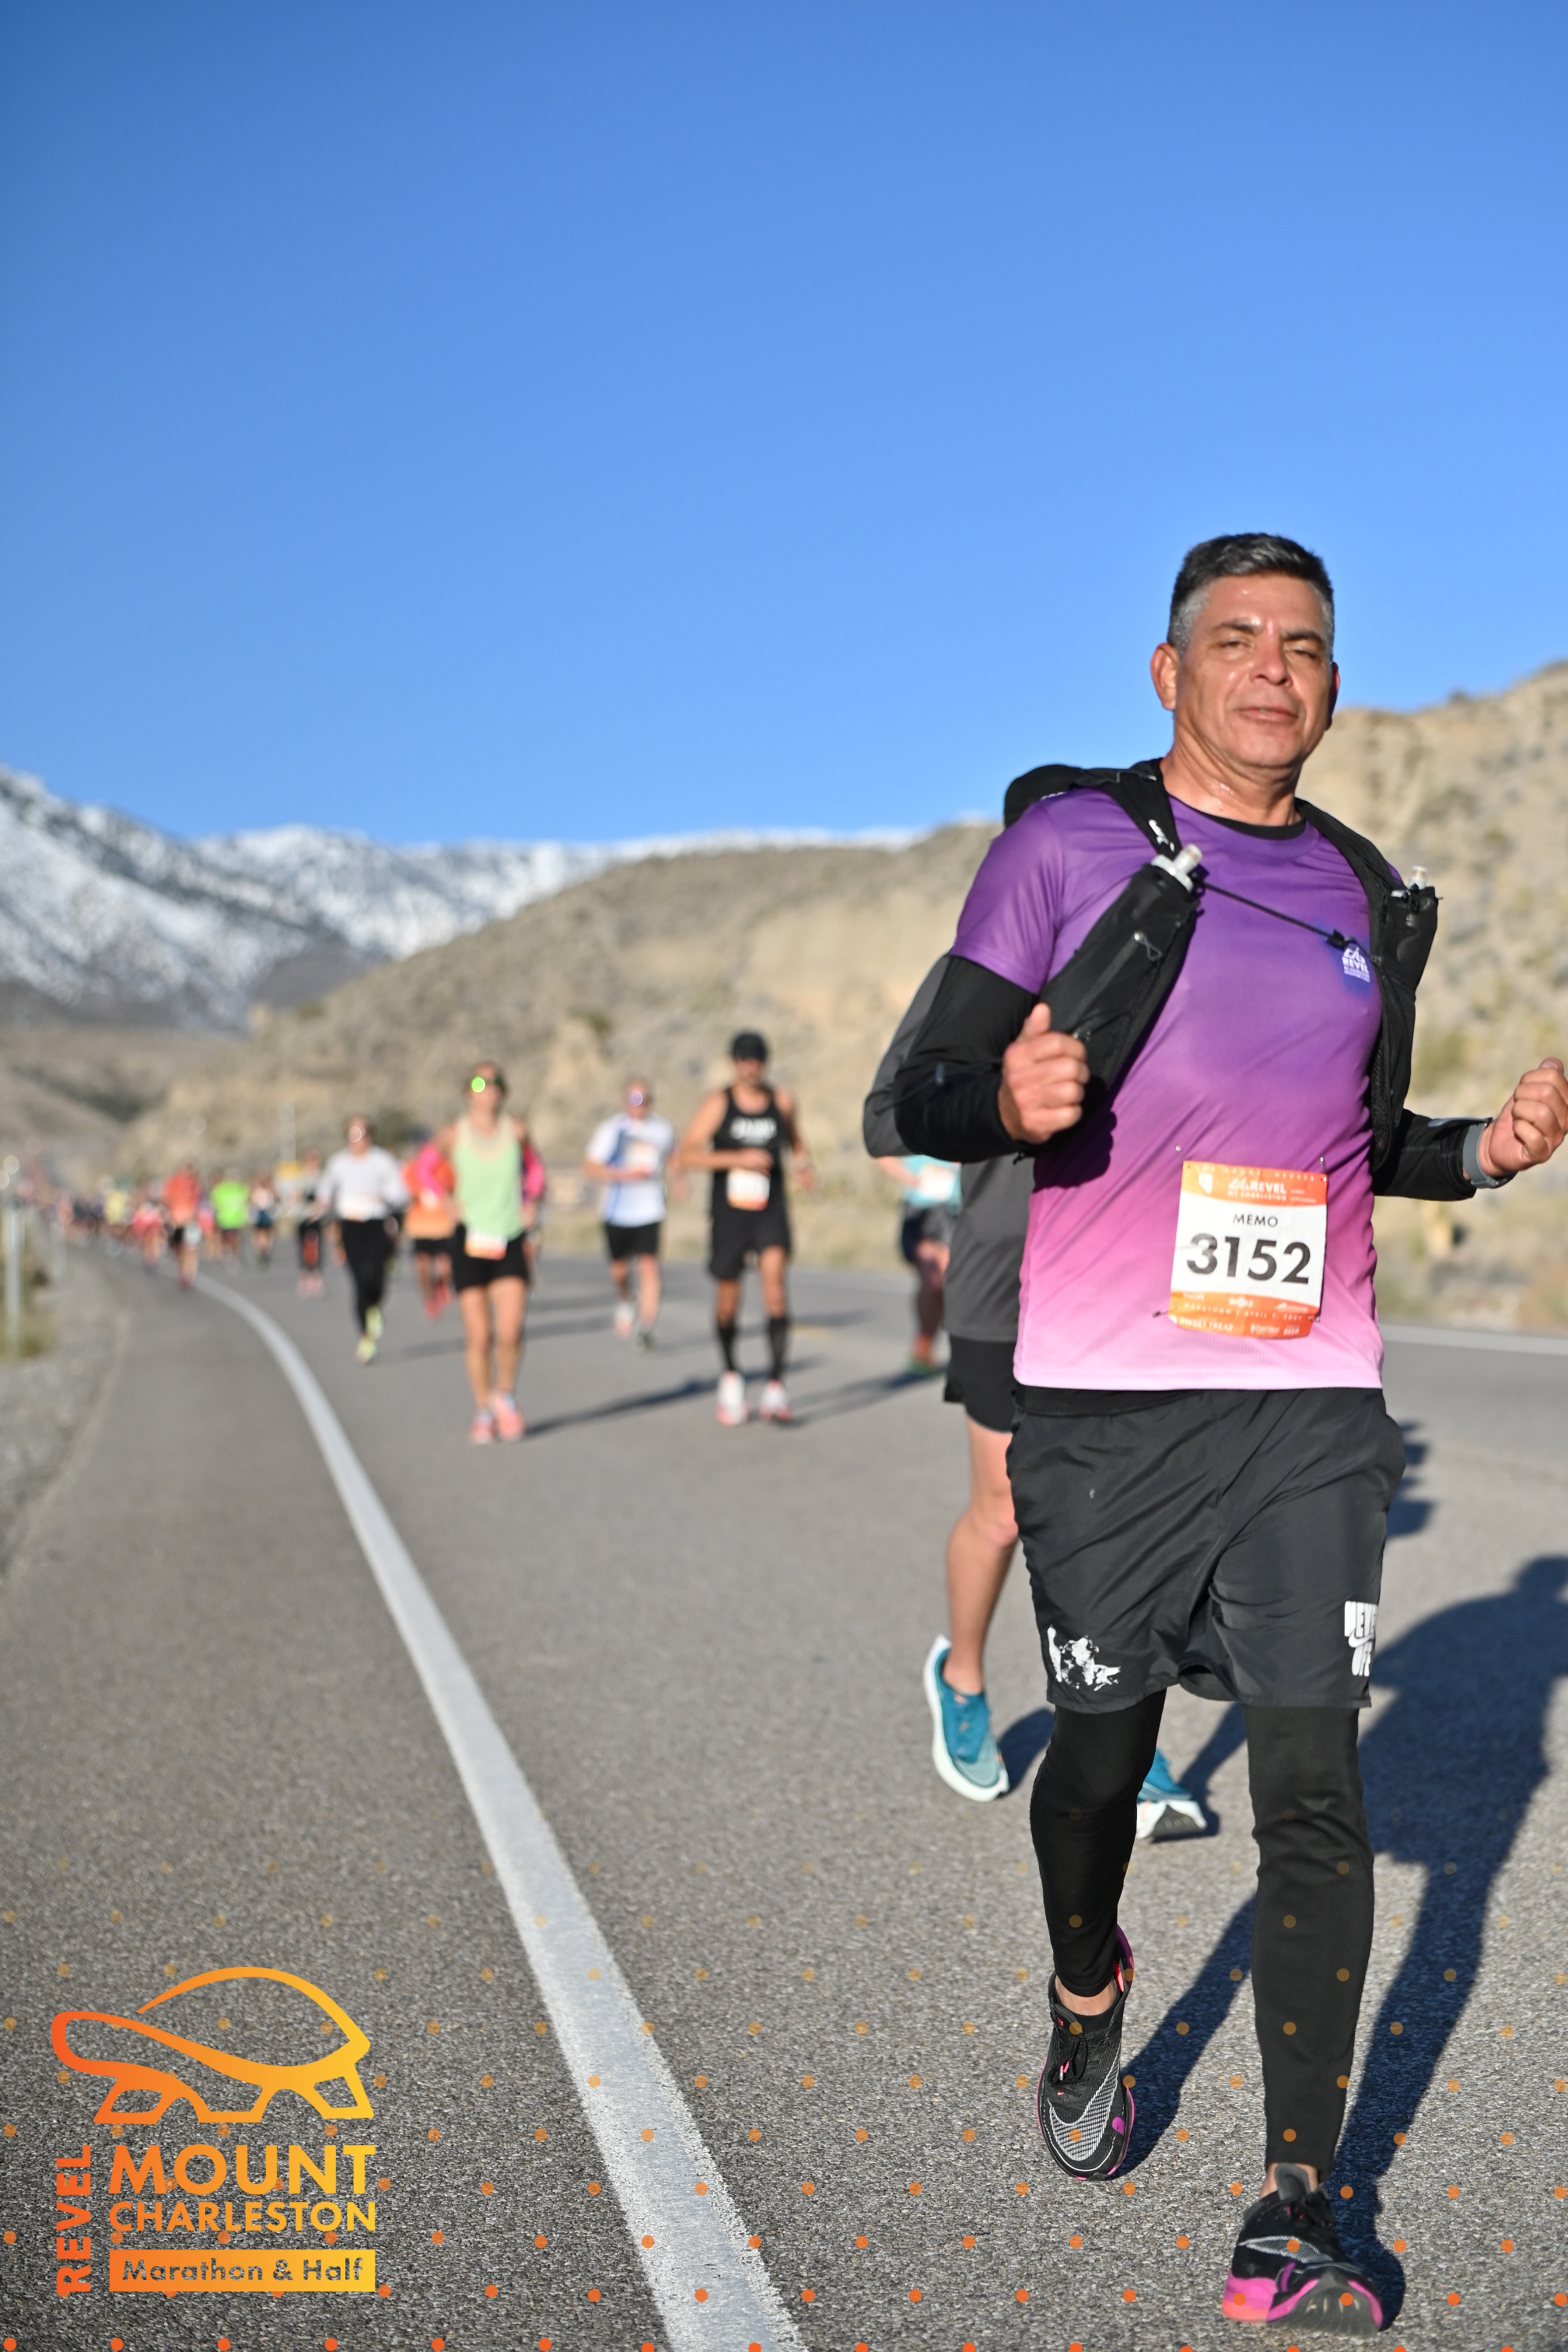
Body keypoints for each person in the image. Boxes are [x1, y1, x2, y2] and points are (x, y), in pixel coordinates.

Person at [894, 533, 1568, 2329]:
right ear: (1169, 672)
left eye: (1307, 646)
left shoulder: (1365, 886)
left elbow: (1363, 1138)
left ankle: (1298, 2202)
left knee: (1315, 1788)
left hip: (1309, 1407)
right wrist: (1003, 1092)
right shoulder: (1068, 848)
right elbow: (918, 1089)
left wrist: (1483, 1154)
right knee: (1098, 1762)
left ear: (1334, 686)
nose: (1275, 669)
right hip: (1109, 1409)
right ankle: (1087, 1993)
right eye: (1239, 640)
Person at [868, 816, 1206, 1823]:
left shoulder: (1146, 960)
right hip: (1001, 1278)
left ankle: (1116, 1734)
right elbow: (888, 1117)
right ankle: (963, 1681)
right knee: (1010, 1509)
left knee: (1118, 1512)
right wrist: (997, 1114)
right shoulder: (972, 976)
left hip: (1117, 1275)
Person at [680, 1031, 814, 1426]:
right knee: (728, 1299)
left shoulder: (782, 1101)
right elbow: (687, 1153)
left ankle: (776, 1385)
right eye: (743, 1059)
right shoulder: (718, 1103)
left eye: (757, 1059)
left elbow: (797, 1143)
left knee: (775, 1292)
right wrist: (736, 1158)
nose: (751, 1066)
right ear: (733, 1062)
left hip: (770, 1209)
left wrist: (804, 1166)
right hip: (730, 1213)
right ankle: (731, 1374)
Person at [431, 1064, 532, 1442]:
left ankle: (505, 1394)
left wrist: (533, 1200)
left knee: (510, 1333)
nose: (487, 1089)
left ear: (503, 1091)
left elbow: (535, 1172)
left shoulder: (517, 1130)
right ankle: (482, 1410)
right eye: (479, 1082)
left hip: (509, 1236)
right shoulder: (453, 1134)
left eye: (495, 1083)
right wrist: (444, 1199)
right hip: (470, 1240)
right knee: (479, 1337)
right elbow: (422, 1169)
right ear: (467, 1092)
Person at [583, 1079, 678, 1346]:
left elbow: (673, 1157)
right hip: (617, 1210)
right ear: (624, 1101)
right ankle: (625, 1299)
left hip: (650, 1209)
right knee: (619, 1270)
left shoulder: (663, 1129)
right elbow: (591, 1166)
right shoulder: (612, 1130)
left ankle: (647, 1327)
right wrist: (623, 1174)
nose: (639, 1105)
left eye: (644, 1099)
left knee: (649, 1266)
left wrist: (679, 1179)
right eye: (634, 1099)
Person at [319, 1117, 409, 1363]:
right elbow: (325, 1190)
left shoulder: (382, 1160)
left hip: (376, 1224)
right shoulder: (338, 1163)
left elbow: (400, 1192)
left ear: (369, 1135)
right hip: (351, 1226)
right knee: (359, 1281)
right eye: (353, 1134)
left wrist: (385, 1197)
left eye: (362, 1133)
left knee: (376, 1278)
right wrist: (324, 1204)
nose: (358, 1139)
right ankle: (365, 1338)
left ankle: (375, 1306)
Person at [873, 1152, 959, 1371]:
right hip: (921, 1208)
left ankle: (954, 1348)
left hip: (955, 1206)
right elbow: (880, 1149)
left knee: (952, 1283)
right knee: (933, 1282)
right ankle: (923, 1345)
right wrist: (912, 1179)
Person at [402, 1135, 457, 1316]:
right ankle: (429, 1297)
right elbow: (404, 1192)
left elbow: (456, 1189)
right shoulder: (412, 1169)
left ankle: (442, 1284)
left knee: (445, 1266)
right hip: (420, 1226)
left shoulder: (447, 1166)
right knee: (422, 1267)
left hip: (443, 1225)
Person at [162, 1162, 202, 1290]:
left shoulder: (195, 1184)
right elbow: (166, 1199)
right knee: (179, 1249)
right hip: (177, 1222)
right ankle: (183, 1270)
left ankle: (189, 1273)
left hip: (190, 1222)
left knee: (191, 1249)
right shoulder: (174, 1183)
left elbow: (198, 1202)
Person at [295, 1147, 326, 1297]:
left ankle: (317, 1277)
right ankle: (305, 1277)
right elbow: (295, 1196)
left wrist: (318, 1208)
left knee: (316, 1248)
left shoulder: (322, 1178)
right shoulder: (301, 1178)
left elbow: (325, 1197)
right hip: (303, 1218)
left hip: (317, 1218)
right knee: (303, 1248)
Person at [210, 1168, 250, 1261]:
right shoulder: (221, 1188)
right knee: (226, 1238)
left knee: (236, 1237)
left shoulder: (241, 1188)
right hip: (225, 1219)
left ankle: (235, 1254)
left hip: (237, 1218)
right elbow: (214, 1202)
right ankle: (229, 1251)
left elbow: (247, 1200)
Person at [248, 1170, 278, 1270]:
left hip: (268, 1214)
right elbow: (251, 1200)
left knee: (268, 1235)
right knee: (259, 1235)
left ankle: (265, 1251)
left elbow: (276, 1198)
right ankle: (261, 1252)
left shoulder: (270, 1189)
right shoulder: (255, 1189)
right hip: (259, 1214)